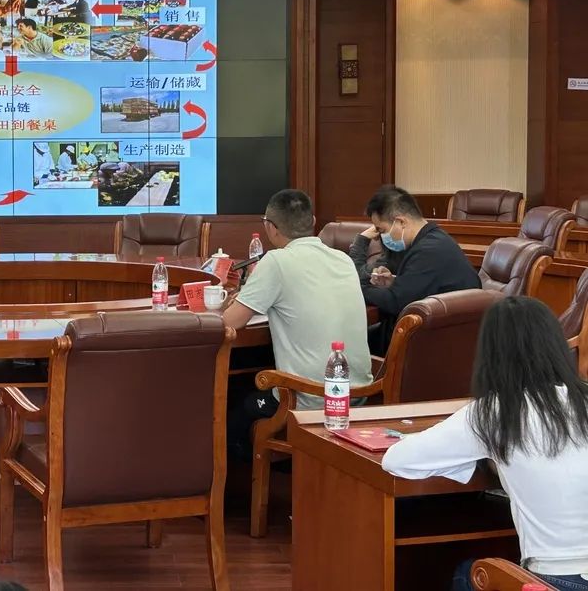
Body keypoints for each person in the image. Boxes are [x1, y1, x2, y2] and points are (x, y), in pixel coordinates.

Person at [383, 297, 588, 591]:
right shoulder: (583, 399)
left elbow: (396, 460)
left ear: (491, 354)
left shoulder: (495, 412)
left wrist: (476, 459)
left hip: (557, 580)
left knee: (466, 573)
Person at [221, 189, 372, 458]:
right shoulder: (343, 259)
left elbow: (231, 323)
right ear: (312, 221)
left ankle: (250, 480)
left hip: (311, 398)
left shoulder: (276, 261)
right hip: (359, 392)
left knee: (234, 405)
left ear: (270, 227)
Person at [360, 185, 481, 353]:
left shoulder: (429, 250)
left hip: (440, 344)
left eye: (382, 230)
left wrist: (358, 288)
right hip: (435, 332)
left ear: (401, 222)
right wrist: (394, 282)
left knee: (353, 344)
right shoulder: (432, 239)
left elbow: (395, 301)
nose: (380, 237)